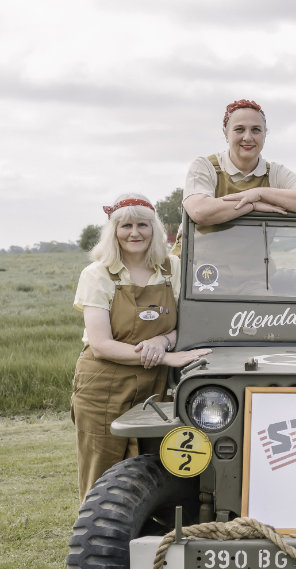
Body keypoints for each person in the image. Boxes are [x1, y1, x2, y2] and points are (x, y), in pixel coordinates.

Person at [71, 193, 211, 500]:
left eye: (143, 225)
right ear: (114, 232)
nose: (135, 233)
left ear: (155, 229)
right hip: (103, 384)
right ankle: (99, 540)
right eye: (126, 226)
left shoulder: (171, 268)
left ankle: (150, 537)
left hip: (154, 383)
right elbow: (101, 345)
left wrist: (161, 341)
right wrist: (166, 357)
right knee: (102, 469)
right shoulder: (97, 274)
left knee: (156, 465)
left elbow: (186, 325)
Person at [174, 99, 296, 294]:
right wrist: (253, 205)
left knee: (265, 317)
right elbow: (200, 211)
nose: (248, 137)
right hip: (200, 273)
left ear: (265, 135)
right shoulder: (205, 166)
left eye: (256, 130)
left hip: (252, 278)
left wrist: (261, 192)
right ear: (225, 134)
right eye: (239, 129)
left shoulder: (274, 173)